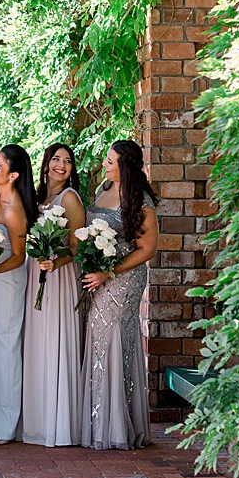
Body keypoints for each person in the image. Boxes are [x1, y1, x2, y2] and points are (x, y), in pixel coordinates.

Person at [79, 140, 159, 450]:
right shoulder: (103, 189)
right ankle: (100, 419)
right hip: (100, 276)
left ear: (125, 166)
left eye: (110, 162)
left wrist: (108, 272)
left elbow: (148, 249)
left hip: (123, 279)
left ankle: (116, 425)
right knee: (98, 339)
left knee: (114, 340)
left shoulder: (141, 201)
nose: (105, 165)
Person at [22, 143, 86, 447]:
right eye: (57, 159)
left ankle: (59, 424)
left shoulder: (69, 198)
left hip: (59, 278)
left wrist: (55, 262)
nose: (62, 165)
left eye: (68, 161)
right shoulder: (35, 198)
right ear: (46, 163)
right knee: (37, 344)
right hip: (36, 275)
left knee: (56, 341)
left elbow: (78, 247)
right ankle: (37, 422)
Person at [0, 145, 36, 446]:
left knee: (5, 348)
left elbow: (18, 256)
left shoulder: (14, 209)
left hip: (7, 280)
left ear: (13, 175)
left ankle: (6, 424)